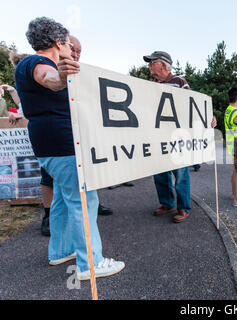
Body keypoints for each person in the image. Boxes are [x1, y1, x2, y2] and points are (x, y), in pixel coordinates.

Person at [15, 17, 124, 280]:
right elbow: (50, 79)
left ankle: (61, 250)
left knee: (63, 199)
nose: (71, 51)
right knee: (84, 200)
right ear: (58, 43)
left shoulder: (28, 64)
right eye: (68, 45)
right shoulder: (38, 63)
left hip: (49, 143)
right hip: (63, 143)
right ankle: (91, 263)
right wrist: (61, 76)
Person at [144, 51, 216, 223]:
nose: (149, 66)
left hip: (177, 137)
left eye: (152, 62)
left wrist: (207, 117)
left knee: (181, 174)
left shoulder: (179, 82)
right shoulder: (150, 86)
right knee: (160, 173)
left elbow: (193, 105)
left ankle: (183, 207)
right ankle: (167, 203)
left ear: (163, 64)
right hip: (159, 136)